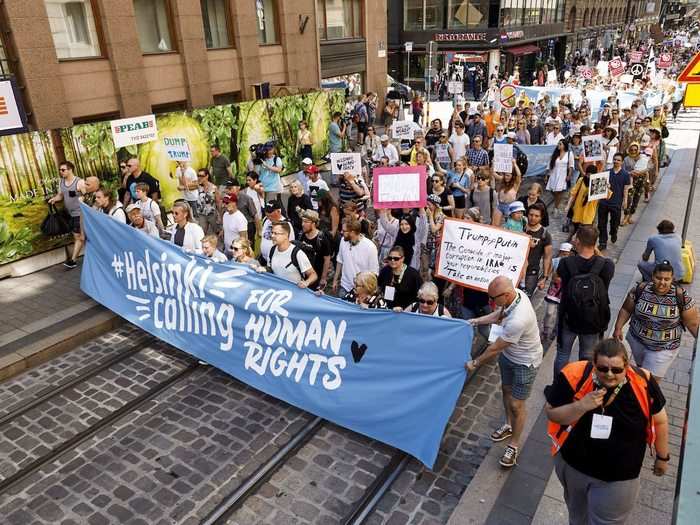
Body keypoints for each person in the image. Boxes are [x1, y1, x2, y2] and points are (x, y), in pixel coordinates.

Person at [545, 339, 670, 525]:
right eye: (603, 368)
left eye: (617, 370)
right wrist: (581, 406)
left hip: (619, 478)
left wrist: (662, 457)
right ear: (594, 363)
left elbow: (660, 421)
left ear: (626, 366)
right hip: (574, 467)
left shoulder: (643, 382)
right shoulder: (574, 374)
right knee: (577, 517)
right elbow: (552, 414)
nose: (610, 375)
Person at [466, 276, 543, 468]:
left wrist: (475, 362)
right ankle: (509, 425)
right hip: (509, 357)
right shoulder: (515, 296)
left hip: (525, 362)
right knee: (506, 390)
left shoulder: (519, 318)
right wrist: (476, 321)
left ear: (506, 294)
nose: (491, 302)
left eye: (494, 298)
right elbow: (498, 315)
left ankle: (514, 445)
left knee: (517, 405)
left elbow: (494, 348)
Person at [613, 261, 698, 380]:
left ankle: (647, 397)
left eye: (667, 279)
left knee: (649, 382)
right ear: (652, 276)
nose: (662, 282)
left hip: (663, 348)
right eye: (659, 278)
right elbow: (626, 309)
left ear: (672, 279)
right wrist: (618, 328)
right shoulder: (640, 289)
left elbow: (693, 323)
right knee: (641, 371)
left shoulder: (682, 297)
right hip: (637, 341)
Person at [554, 225, 615, 376]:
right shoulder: (606, 265)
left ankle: (558, 387)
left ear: (578, 241)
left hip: (569, 316)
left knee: (562, 354)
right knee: (587, 356)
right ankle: (582, 385)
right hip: (593, 319)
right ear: (595, 243)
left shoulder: (566, 263)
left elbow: (557, 279)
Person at [47, 161, 84, 269]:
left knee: (79, 237)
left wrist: (82, 196)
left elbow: (87, 195)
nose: (61, 172)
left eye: (63, 170)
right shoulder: (61, 182)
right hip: (70, 214)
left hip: (80, 214)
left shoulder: (79, 182)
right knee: (80, 237)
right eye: (60, 170)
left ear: (70, 169)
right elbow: (61, 195)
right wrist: (54, 199)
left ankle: (73, 260)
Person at [332, 219, 379, 298]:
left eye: (344, 231)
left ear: (352, 232)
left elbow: (373, 273)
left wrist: (367, 294)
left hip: (361, 291)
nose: (341, 232)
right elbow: (340, 261)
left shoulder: (370, 247)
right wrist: (335, 280)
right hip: (344, 286)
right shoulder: (343, 241)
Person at [263, 221, 317, 288]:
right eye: (272, 232)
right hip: (277, 292)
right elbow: (271, 269)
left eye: (276, 233)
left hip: (294, 294)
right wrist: (264, 269)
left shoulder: (297, 254)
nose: (272, 236)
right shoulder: (272, 250)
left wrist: (306, 282)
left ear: (286, 235)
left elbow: (313, 275)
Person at [597, 153, 631, 251]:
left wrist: (625, 202)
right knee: (601, 223)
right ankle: (602, 242)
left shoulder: (625, 175)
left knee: (615, 222)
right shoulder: (607, 172)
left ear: (622, 162)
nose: (616, 161)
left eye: (618, 160)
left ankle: (614, 231)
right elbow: (600, 186)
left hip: (616, 203)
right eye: (615, 159)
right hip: (604, 202)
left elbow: (625, 189)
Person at [542, 242, 573, 342]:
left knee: (561, 314)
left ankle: (556, 331)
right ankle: (545, 331)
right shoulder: (555, 261)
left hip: (565, 293)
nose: (564, 255)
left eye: (566, 253)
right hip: (553, 291)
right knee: (549, 312)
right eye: (563, 252)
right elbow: (549, 274)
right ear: (560, 252)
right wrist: (544, 280)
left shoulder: (572, 263)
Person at [522, 202, 553, 296]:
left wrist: (545, 277)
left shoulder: (545, 235)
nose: (533, 218)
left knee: (525, 299)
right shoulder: (520, 227)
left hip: (531, 273)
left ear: (541, 217)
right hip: (515, 270)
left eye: (536, 216)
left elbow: (547, 257)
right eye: (531, 215)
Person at [378, 245, 422, 310]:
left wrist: (408, 308)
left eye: (396, 259)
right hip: (387, 310)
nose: (392, 260)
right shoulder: (385, 271)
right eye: (390, 258)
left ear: (402, 259)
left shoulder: (413, 274)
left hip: (406, 311)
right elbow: (378, 287)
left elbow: (419, 296)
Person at [298, 210, 332, 292]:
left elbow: (327, 259)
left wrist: (323, 278)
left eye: (306, 222)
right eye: (302, 221)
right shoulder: (301, 235)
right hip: (302, 275)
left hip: (316, 277)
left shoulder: (322, 239)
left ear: (313, 223)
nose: (303, 224)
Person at [565, 165, 600, 234]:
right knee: (575, 228)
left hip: (589, 211)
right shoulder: (581, 180)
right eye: (587, 174)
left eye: (591, 175)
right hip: (578, 209)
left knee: (585, 230)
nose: (588, 176)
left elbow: (606, 196)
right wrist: (568, 205)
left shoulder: (598, 183)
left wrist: (607, 187)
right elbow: (573, 193)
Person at [546, 140, 573, 214]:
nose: (558, 145)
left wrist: (569, 175)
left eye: (560, 144)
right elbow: (550, 165)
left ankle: (556, 207)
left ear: (564, 145)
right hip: (554, 174)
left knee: (558, 191)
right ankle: (556, 202)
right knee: (552, 190)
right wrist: (547, 175)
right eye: (558, 143)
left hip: (563, 175)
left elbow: (571, 166)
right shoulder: (555, 153)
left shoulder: (569, 154)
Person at [221, 194, 248, 258]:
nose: (225, 205)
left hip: (236, 253)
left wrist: (240, 254)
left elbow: (243, 238)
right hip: (226, 250)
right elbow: (225, 229)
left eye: (227, 203)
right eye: (224, 202)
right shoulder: (225, 215)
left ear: (234, 203)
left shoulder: (240, 218)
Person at [194, 168, 219, 236]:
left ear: (207, 176)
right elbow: (186, 186)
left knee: (217, 231)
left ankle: (222, 244)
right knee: (202, 233)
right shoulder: (198, 186)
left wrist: (220, 216)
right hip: (202, 215)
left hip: (212, 214)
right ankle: (202, 246)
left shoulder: (214, 188)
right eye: (198, 175)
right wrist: (182, 171)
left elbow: (218, 202)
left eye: (201, 176)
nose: (199, 177)